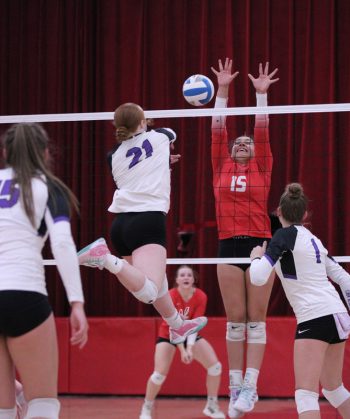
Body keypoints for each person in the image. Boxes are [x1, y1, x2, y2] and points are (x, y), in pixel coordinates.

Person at [78, 103, 207, 345]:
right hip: (147, 221)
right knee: (148, 292)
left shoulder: (113, 156)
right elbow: (167, 138)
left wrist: (163, 162)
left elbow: (138, 168)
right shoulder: (162, 135)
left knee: (159, 286)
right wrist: (163, 157)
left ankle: (178, 326)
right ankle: (105, 258)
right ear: (143, 122)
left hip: (121, 225)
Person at [0, 123, 88, 419]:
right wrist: (77, 302)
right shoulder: (49, 188)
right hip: (25, 296)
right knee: (43, 404)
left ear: (5, 152)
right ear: (45, 152)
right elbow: (62, 244)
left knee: (3, 409)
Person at [210, 58, 279, 417]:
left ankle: (251, 387)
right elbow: (217, 130)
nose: (241, 144)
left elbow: (262, 131)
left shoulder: (262, 166)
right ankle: (234, 385)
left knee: (257, 318)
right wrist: (221, 90)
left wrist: (260, 95)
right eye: (237, 143)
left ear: (255, 151)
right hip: (227, 245)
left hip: (259, 245)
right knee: (235, 319)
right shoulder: (220, 166)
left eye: (247, 143)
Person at [249, 182, 350, 419]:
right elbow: (345, 280)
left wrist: (256, 258)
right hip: (337, 315)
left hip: (315, 317)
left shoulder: (282, 236)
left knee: (305, 393)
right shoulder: (314, 240)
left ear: (278, 212)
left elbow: (258, 277)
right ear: (305, 214)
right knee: (334, 389)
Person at [139, 265, 225, 419]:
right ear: (177, 280)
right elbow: (174, 327)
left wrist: (190, 348)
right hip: (168, 335)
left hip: (190, 333)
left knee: (215, 367)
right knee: (159, 375)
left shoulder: (200, 296)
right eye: (182, 275)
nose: (186, 277)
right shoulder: (170, 295)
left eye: (189, 275)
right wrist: (183, 351)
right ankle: (147, 408)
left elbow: (195, 324)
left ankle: (211, 406)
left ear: (194, 279)